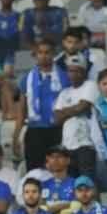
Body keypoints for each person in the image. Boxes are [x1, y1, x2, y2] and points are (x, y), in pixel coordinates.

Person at [14, 40, 69, 172]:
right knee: (35, 171)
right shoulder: (27, 78)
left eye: (47, 52)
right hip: (35, 130)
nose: (44, 56)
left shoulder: (65, 77)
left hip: (57, 129)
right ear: (35, 55)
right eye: (40, 52)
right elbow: (22, 109)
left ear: (53, 54)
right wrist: (16, 135)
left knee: (58, 170)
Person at [53, 51, 99, 177]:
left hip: (85, 145)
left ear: (84, 72)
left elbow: (83, 107)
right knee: (71, 183)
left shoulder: (90, 85)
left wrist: (65, 112)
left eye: (77, 71)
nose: (73, 74)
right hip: (67, 146)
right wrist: (75, 109)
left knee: (87, 182)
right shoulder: (64, 93)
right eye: (70, 71)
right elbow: (56, 119)